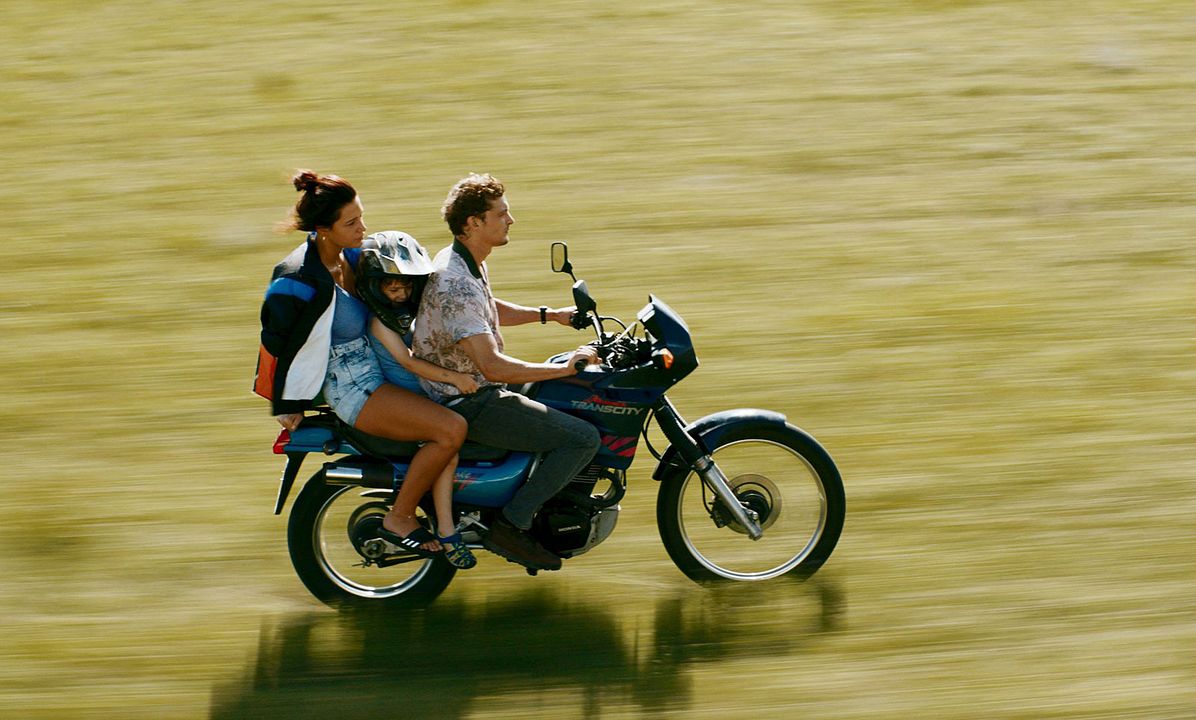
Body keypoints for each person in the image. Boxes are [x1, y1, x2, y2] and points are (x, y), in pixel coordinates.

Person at [254, 170, 472, 566]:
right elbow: (273, 342)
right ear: (323, 228)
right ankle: (400, 518)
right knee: (449, 430)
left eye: (362, 218)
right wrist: (284, 403)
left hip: (382, 365)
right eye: (351, 223)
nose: (362, 228)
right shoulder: (297, 280)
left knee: (460, 412)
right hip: (352, 385)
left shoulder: (355, 257)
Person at [412, 172, 602, 572]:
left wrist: (551, 315)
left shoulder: (464, 264)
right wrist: (567, 367)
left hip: (469, 389)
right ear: (473, 223)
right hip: (467, 401)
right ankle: (511, 525)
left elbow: (487, 309)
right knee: (583, 439)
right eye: (501, 213)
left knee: (557, 395)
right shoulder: (455, 283)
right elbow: (493, 366)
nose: (511, 220)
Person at [357, 231, 480, 569]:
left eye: (407, 288)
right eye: (392, 288)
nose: (400, 295)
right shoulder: (379, 322)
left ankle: (447, 528)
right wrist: (455, 378)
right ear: (374, 285)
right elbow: (409, 362)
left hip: (423, 390)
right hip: (413, 394)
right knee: (447, 446)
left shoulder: (401, 315)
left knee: (450, 455)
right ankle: (427, 523)